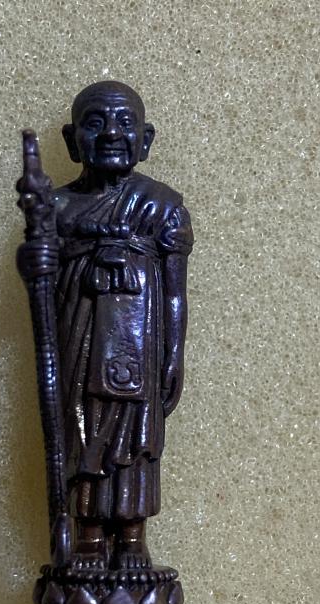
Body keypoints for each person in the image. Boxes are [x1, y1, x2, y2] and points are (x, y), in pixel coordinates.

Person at [51, 81, 193, 570]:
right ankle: (88, 538)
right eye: (95, 123)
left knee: (136, 439)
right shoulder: (55, 209)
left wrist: (174, 354)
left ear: (145, 140)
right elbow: (40, 281)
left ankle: (133, 539)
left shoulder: (162, 207)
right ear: (72, 141)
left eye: (125, 123)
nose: (112, 133)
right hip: (79, 343)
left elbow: (175, 293)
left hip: (140, 343)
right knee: (81, 429)